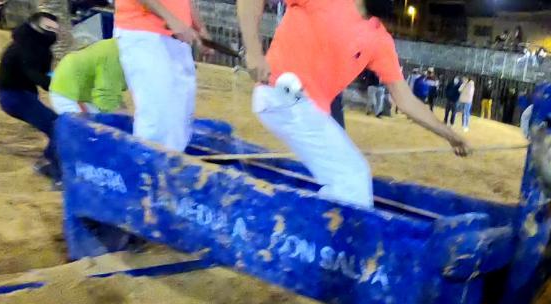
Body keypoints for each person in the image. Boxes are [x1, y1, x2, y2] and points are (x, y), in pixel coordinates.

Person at [237, 0, 470, 208]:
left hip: (309, 110)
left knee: (350, 177)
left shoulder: (379, 39)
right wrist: (254, 52)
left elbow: (406, 100)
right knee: (352, 179)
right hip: (282, 93)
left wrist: (449, 135)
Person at [114, 0, 206, 152]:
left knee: (180, 114)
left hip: (176, 33)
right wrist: (172, 20)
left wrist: (199, 26)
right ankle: (149, 168)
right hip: (144, 31)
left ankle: (171, 167)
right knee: (157, 114)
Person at [0, 13, 60, 179]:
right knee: (59, 127)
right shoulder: (24, 48)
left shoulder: (41, 49)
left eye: (54, 29)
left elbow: (43, 75)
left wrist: (54, 80)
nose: (51, 33)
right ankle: (48, 164)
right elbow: (35, 75)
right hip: (15, 96)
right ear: (33, 26)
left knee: (57, 126)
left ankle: (48, 161)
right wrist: (59, 84)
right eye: (48, 28)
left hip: (23, 96)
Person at [48, 38, 128, 114]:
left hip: (83, 91)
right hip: (70, 94)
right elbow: (105, 96)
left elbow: (112, 90)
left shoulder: (119, 47)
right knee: (90, 125)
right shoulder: (115, 58)